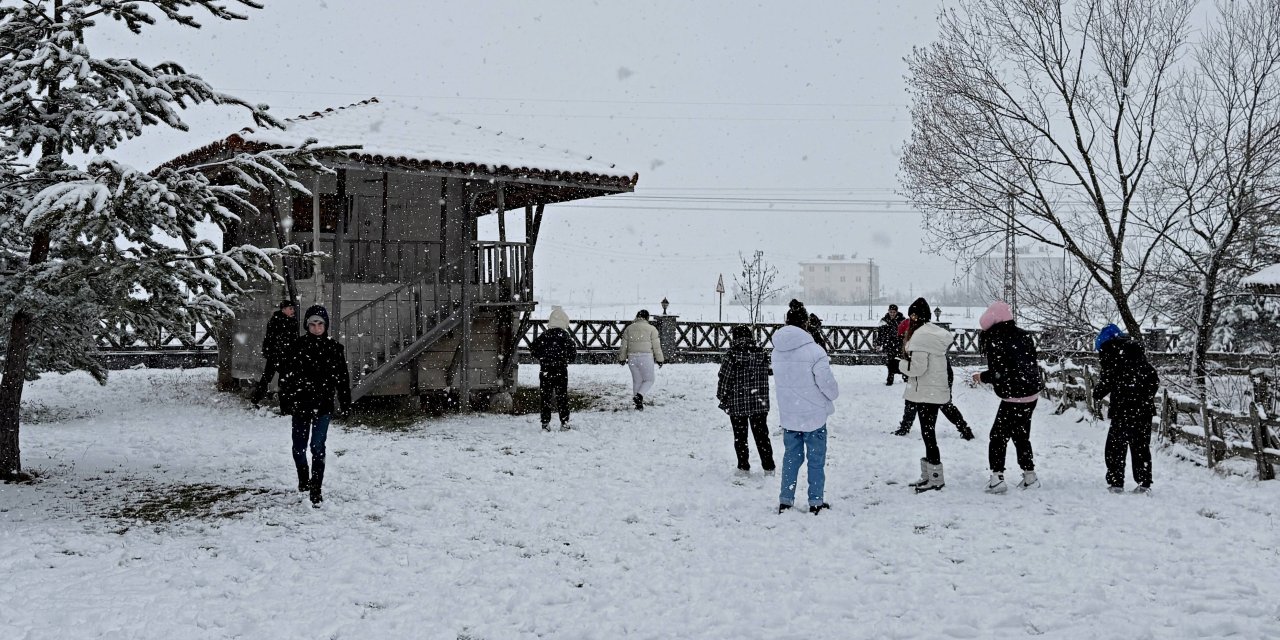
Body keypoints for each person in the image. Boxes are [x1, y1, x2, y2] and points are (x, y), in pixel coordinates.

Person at [278, 305, 351, 507]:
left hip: (323, 405)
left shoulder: (334, 349)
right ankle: (304, 477)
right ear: (307, 325)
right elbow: (286, 377)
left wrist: (345, 403)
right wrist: (285, 401)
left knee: (317, 447)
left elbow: (342, 379)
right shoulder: (297, 347)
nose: (316, 327)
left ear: (325, 325)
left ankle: (316, 489)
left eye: (320, 324)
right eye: (312, 324)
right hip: (301, 405)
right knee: (299, 448)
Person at [773, 300, 840, 514]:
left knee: (791, 458)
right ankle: (816, 501)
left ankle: (786, 499)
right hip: (814, 416)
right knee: (816, 460)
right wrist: (832, 395)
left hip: (789, 414)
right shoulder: (815, 351)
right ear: (806, 323)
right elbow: (828, 386)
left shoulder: (777, 351)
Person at [972, 301, 1043, 494]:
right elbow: (1025, 364)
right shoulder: (1023, 335)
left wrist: (982, 377)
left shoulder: (997, 338)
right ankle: (1030, 475)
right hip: (1031, 393)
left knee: (997, 436)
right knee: (1021, 435)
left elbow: (1000, 371)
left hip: (1014, 396)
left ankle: (997, 478)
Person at [1092, 323, 1159, 495]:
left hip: (1123, 410)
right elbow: (1153, 379)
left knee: (1115, 448)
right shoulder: (1137, 354)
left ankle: (1116, 483)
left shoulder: (1113, 357)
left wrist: (1097, 393)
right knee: (1141, 447)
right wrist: (1144, 397)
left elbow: (1108, 381)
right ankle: (1144, 483)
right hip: (1143, 410)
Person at [897, 298, 953, 493]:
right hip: (934, 391)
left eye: (913, 314)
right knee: (928, 433)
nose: (911, 318)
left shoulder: (920, 337)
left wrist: (900, 365)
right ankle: (929, 474)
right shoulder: (933, 333)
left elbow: (918, 369)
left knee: (928, 435)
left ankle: (935, 478)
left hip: (926, 393)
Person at [893, 314, 973, 439]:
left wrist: (900, 365)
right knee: (912, 400)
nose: (903, 338)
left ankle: (964, 428)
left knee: (944, 404)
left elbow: (917, 367)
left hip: (938, 376)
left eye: (904, 335)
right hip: (934, 375)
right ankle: (905, 427)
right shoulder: (921, 338)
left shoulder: (919, 341)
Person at [716, 325, 775, 476]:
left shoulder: (731, 355)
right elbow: (770, 371)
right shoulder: (762, 353)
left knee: (740, 437)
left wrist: (722, 397)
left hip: (738, 403)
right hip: (759, 402)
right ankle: (769, 468)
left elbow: (724, 378)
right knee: (762, 436)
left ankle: (743, 467)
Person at [530, 306, 578, 431]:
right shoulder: (565, 336)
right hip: (561, 370)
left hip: (546, 370)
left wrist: (543, 358)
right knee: (562, 396)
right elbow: (573, 354)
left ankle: (545, 423)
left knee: (545, 396)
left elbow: (533, 349)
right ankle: (564, 422)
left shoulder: (544, 336)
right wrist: (564, 359)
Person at [252, 300, 298, 407]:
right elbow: (269, 338)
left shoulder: (292, 322)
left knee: (284, 382)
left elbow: (293, 340)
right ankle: (256, 399)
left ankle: (285, 407)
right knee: (267, 378)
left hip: (286, 356)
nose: (293, 311)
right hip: (275, 355)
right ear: (283, 309)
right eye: (290, 308)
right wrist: (269, 352)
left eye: (293, 308)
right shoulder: (276, 320)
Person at [617, 309, 665, 410]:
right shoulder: (652, 329)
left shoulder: (629, 328)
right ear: (647, 318)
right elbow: (656, 346)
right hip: (646, 357)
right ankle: (639, 396)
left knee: (637, 381)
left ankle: (638, 404)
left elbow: (623, 346)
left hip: (632, 357)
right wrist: (660, 359)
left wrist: (622, 358)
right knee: (649, 380)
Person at [875, 304, 905, 385]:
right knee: (890, 362)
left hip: (899, 344)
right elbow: (880, 334)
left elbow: (906, 332)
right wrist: (878, 344)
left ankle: (905, 376)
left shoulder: (902, 320)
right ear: (888, 311)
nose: (892, 314)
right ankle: (890, 379)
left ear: (896, 312)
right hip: (888, 345)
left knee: (902, 361)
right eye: (891, 312)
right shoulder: (884, 320)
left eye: (894, 312)